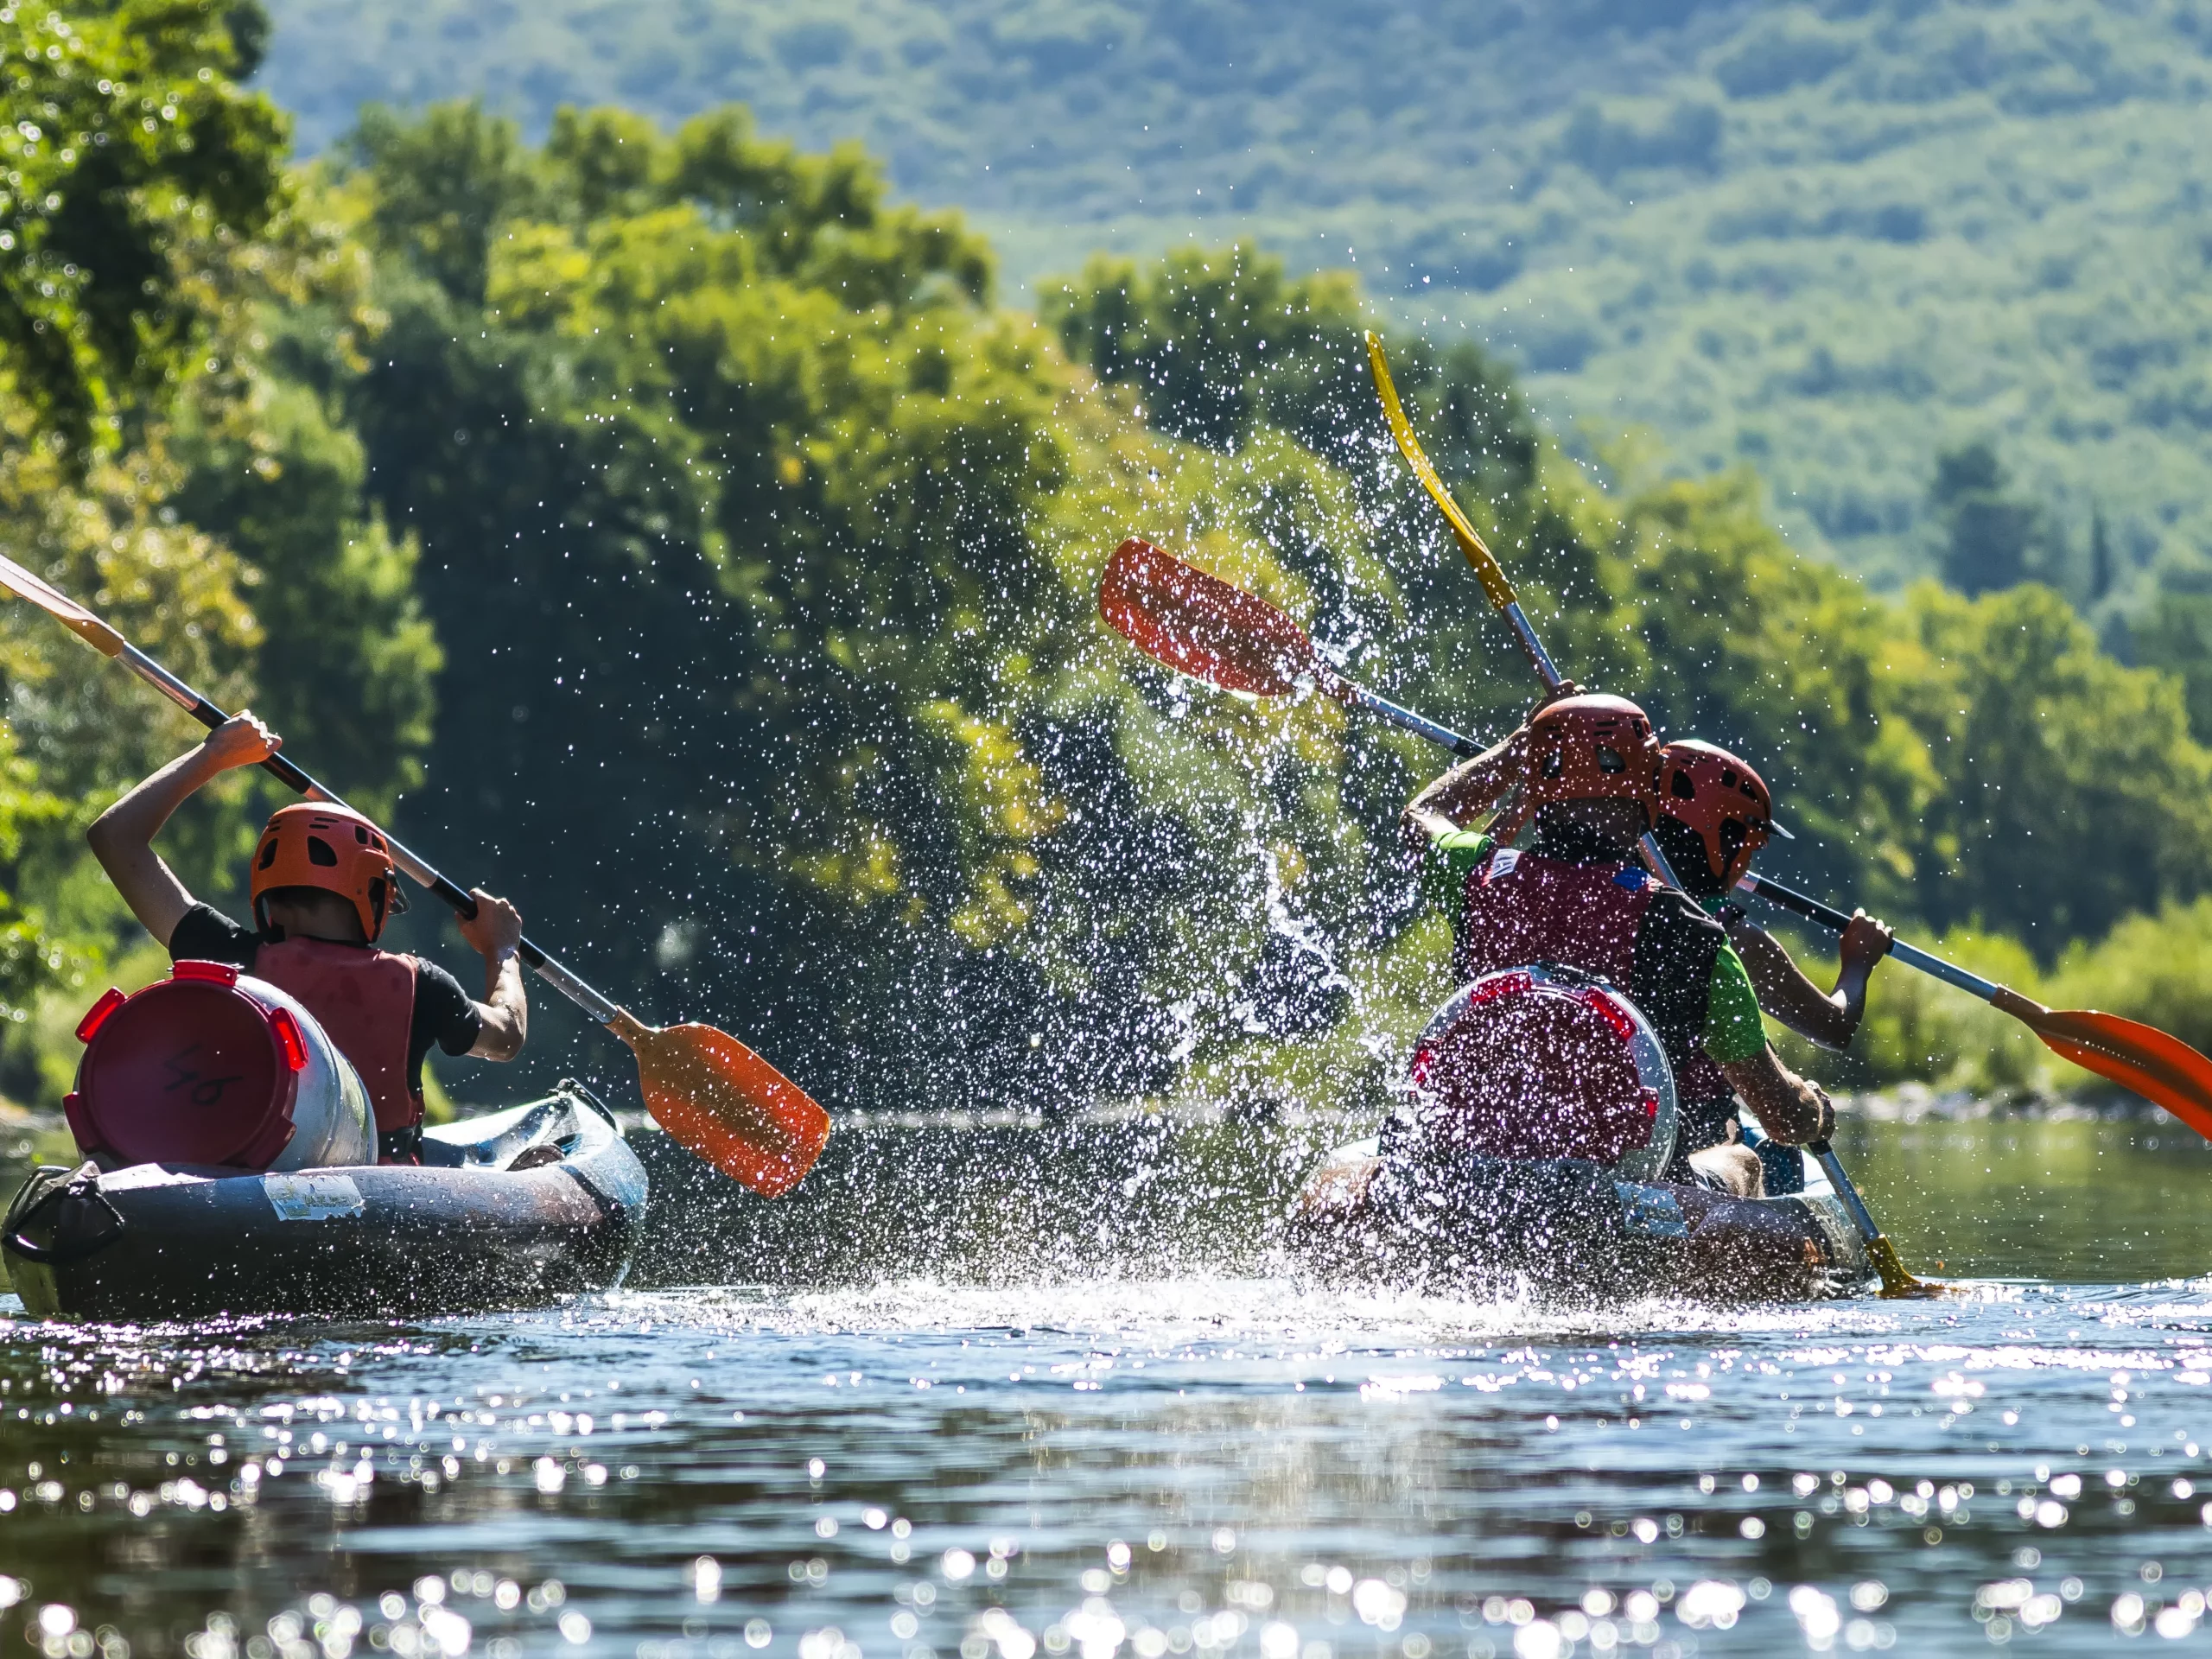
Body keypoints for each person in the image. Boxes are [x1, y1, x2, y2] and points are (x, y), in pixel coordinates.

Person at [1401, 691, 1835, 1199]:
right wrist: (1815, 1111)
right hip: (1623, 1192)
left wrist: (1513, 752)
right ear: (1649, 791)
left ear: (1538, 785)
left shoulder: (1475, 872)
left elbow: (1422, 816)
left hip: (1468, 1172)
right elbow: (1782, 1115)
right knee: (1742, 1159)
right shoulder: (1692, 934)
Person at [86, 713, 527, 1164]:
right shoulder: (423, 987)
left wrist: (213, 756)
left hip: (251, 1182)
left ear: (266, 892)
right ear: (373, 891)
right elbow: (507, 1036)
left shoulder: (229, 958)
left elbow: (114, 837)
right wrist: (502, 949)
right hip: (382, 1192)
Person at [1650, 739, 1893, 1192]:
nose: (1748, 860)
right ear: (1718, 833)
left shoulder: (1598, 894)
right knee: (1779, 1149)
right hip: (1691, 1146)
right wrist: (1858, 964)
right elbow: (1833, 1026)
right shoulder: (1725, 936)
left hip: (1607, 1134)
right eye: (1750, 842)